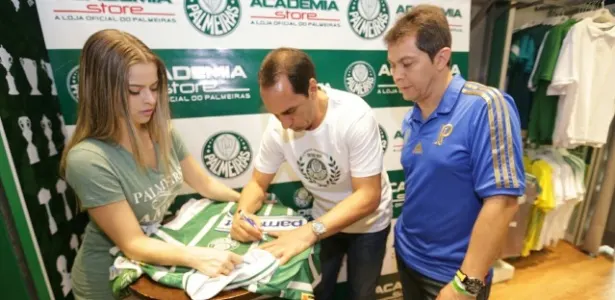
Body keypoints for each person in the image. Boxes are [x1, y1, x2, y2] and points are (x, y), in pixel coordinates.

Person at [59, 29, 243, 300]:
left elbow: (205, 184)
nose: (150, 100)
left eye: (154, 88)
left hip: (151, 272)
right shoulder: (88, 160)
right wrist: (198, 257)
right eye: (134, 91)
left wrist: (247, 204)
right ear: (101, 92)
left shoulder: (163, 133)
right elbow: (132, 243)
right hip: (109, 285)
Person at [228, 47, 393, 300]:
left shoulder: (354, 116)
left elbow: (368, 196)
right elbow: (257, 184)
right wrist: (243, 214)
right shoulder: (278, 128)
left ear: (312, 89)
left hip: (368, 226)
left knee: (361, 295)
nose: (284, 123)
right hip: (322, 222)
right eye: (275, 114)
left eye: (290, 111)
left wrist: (308, 232)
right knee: (314, 292)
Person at [384, 5, 525, 300]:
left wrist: (466, 283)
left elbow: (503, 202)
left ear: (441, 58)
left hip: (453, 275)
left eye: (407, 64)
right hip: (409, 256)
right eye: (393, 65)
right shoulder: (413, 115)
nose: (397, 75)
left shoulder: (485, 106)